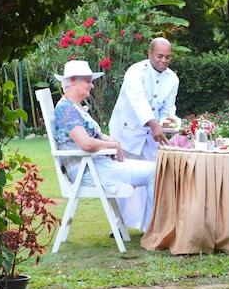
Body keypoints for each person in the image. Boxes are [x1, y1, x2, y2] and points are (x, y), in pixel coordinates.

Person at [52, 60, 155, 224]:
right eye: (87, 81)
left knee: (155, 168)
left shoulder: (74, 107)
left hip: (98, 166)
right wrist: (113, 145)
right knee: (154, 172)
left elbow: (97, 135)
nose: (92, 85)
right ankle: (157, 230)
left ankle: (157, 227)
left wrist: (114, 142)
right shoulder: (66, 110)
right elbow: (85, 143)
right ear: (72, 81)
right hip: (89, 171)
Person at [107, 37, 179, 230]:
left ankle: (149, 225)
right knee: (123, 179)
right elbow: (137, 101)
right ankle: (118, 227)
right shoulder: (135, 72)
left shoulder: (172, 78)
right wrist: (155, 125)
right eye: (160, 56)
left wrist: (168, 122)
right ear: (149, 55)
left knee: (154, 177)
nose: (164, 60)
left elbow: (168, 107)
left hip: (151, 137)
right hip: (126, 132)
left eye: (168, 57)